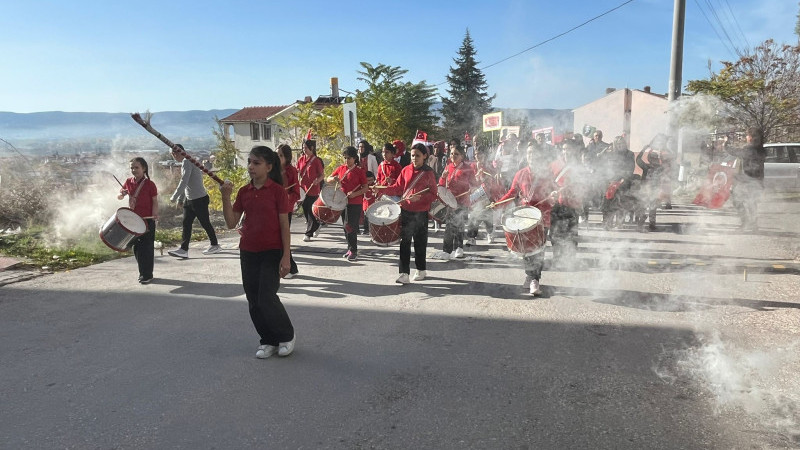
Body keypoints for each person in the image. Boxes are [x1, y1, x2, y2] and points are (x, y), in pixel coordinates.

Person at [220, 145, 295, 359]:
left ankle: (286, 335)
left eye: (256, 163)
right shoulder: (244, 191)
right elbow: (231, 223)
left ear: (269, 167)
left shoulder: (277, 192)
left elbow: (284, 226)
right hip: (248, 251)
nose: (251, 167)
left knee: (266, 296)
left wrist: (286, 256)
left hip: (272, 250)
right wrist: (226, 197)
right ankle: (267, 340)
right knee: (253, 298)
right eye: (249, 162)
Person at [490, 145, 557, 295]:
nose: (531, 155)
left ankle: (535, 279)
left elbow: (554, 190)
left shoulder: (547, 173)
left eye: (534, 152)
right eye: (529, 153)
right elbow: (512, 192)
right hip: (524, 215)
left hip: (542, 215)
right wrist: (499, 203)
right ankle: (530, 275)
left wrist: (554, 194)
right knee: (525, 248)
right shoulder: (520, 174)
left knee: (538, 248)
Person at [378, 143, 438, 283]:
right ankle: (404, 273)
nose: (414, 158)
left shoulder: (428, 173)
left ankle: (421, 270)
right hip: (406, 210)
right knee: (404, 242)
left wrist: (421, 197)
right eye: (412, 155)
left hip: (421, 213)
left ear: (424, 156)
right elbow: (397, 188)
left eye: (417, 155)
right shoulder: (405, 170)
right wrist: (381, 189)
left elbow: (434, 194)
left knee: (419, 243)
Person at [167, 144, 221, 258]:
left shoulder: (187, 161)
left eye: (174, 153)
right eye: (172, 153)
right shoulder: (185, 162)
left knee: (204, 223)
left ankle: (215, 245)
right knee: (186, 224)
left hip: (199, 199)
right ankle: (183, 249)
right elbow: (187, 184)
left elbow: (184, 181)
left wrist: (175, 197)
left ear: (181, 152)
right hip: (190, 199)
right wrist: (181, 199)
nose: (174, 155)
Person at [118, 157, 159, 284]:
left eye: (137, 167)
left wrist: (155, 215)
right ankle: (143, 272)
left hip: (147, 220)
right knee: (136, 248)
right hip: (133, 220)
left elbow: (154, 201)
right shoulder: (128, 182)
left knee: (146, 247)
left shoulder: (150, 184)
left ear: (144, 168)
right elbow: (119, 196)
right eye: (132, 168)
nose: (134, 170)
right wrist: (123, 193)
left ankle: (146, 274)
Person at [549, 141, 587, 268]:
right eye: (564, 149)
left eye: (569, 149)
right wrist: (551, 191)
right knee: (555, 233)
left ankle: (570, 259)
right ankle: (557, 257)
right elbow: (548, 181)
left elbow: (583, 186)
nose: (566, 152)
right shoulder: (554, 165)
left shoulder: (578, 166)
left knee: (571, 233)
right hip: (556, 203)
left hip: (572, 204)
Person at [327, 146, 368, 261]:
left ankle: (354, 250)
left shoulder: (359, 171)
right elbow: (328, 178)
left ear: (355, 158)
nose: (346, 160)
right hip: (342, 201)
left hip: (355, 202)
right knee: (345, 227)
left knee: (351, 226)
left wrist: (355, 194)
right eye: (344, 158)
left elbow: (365, 188)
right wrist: (334, 179)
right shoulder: (341, 169)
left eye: (349, 158)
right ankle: (350, 248)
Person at [435, 144, 475, 260]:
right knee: (449, 225)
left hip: (462, 200)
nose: (453, 156)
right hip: (450, 201)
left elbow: (474, 184)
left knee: (459, 224)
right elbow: (441, 184)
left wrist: (472, 189)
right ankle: (447, 250)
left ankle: (459, 248)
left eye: (456, 154)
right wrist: (443, 177)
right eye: (451, 153)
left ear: (462, 156)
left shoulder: (468, 168)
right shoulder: (448, 167)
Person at [727, 127, 766, 230]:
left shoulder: (750, 148)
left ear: (752, 137)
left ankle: (746, 223)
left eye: (747, 135)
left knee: (739, 200)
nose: (746, 137)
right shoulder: (760, 149)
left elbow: (737, 152)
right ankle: (752, 224)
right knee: (752, 203)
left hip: (748, 180)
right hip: (755, 181)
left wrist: (726, 144)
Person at [466, 144, 502, 245]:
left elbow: (494, 180)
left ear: (484, 155)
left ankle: (490, 234)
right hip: (475, 194)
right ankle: (472, 237)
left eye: (480, 154)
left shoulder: (489, 166)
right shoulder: (471, 166)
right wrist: (476, 179)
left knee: (488, 216)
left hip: (487, 194)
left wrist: (487, 176)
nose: (478, 156)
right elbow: (469, 180)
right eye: (476, 154)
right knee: (474, 216)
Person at [278, 144, 301, 278]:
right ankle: (291, 267)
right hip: (274, 208)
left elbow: (296, 193)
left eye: (281, 155)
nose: (278, 158)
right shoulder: (272, 170)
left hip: (285, 209)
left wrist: (286, 197)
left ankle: (287, 267)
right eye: (277, 155)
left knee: (283, 237)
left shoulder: (292, 171)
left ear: (287, 157)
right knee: (278, 238)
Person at [296, 139, 325, 242]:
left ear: (311, 148)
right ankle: (316, 225)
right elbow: (298, 171)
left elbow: (322, 175)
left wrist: (318, 180)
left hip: (313, 189)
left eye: (306, 148)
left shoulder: (316, 160)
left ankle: (308, 233)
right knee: (305, 210)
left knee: (310, 211)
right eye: (303, 148)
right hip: (303, 189)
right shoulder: (301, 159)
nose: (304, 150)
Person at [361, 171, 377, 235]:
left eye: (371, 180)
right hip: (366, 203)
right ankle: (366, 229)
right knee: (366, 217)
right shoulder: (363, 185)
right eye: (368, 180)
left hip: (374, 203)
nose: (370, 182)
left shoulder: (376, 185)